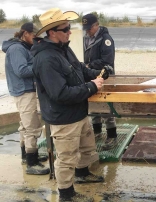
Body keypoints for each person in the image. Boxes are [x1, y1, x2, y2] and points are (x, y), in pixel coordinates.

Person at [31, 8, 110, 202]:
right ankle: (66, 194)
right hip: (63, 118)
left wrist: (98, 73)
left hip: (78, 113)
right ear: (52, 32)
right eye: (65, 29)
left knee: (85, 148)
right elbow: (60, 94)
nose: (70, 32)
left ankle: (82, 174)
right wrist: (92, 87)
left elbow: (80, 69)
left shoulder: (63, 48)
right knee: (66, 158)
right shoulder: (46, 58)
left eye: (69, 27)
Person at [2, 22, 49, 175]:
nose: (36, 40)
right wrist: (41, 66)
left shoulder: (21, 47)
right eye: (35, 36)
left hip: (23, 90)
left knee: (25, 125)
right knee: (32, 127)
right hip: (24, 91)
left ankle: (25, 155)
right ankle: (32, 163)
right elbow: (22, 71)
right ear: (26, 33)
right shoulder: (17, 49)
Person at [82, 13, 117, 150]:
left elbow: (107, 60)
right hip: (90, 76)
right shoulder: (85, 38)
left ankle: (112, 136)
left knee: (107, 107)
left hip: (104, 76)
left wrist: (89, 66)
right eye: (85, 28)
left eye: (89, 28)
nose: (87, 30)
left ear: (96, 25)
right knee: (94, 107)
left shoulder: (106, 39)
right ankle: (97, 133)